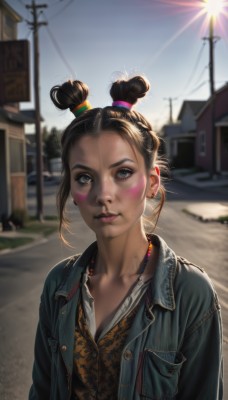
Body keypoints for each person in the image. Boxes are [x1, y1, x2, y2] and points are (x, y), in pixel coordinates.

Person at [29, 75, 223, 400]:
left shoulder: (191, 293)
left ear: (152, 182)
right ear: (72, 190)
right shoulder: (58, 286)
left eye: (122, 172)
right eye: (85, 177)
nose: (103, 194)